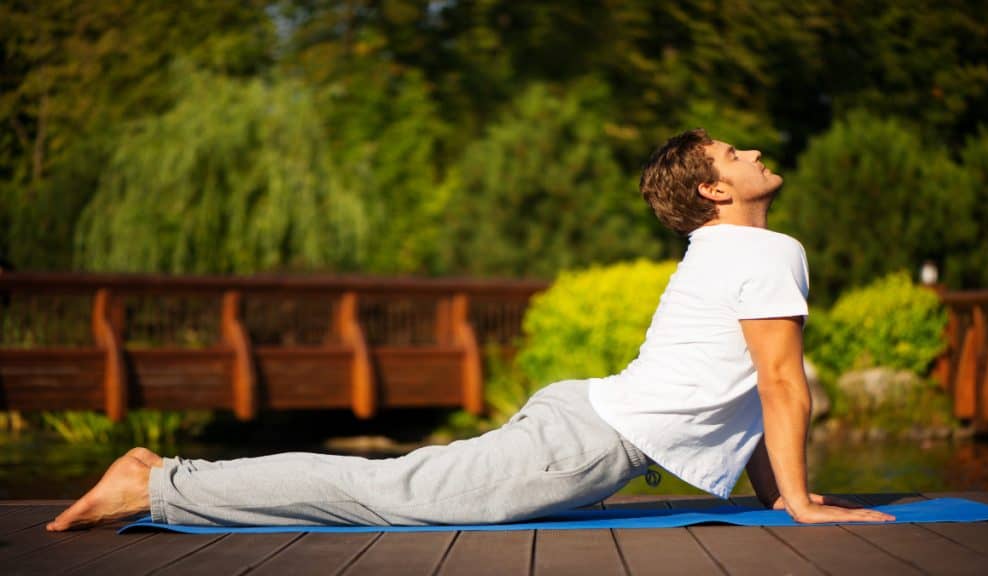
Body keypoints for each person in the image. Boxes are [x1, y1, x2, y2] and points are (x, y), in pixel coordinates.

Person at [47, 129, 895, 531]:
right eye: (736, 155)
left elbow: (752, 388)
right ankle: (159, 483)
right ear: (715, 191)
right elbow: (780, 385)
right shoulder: (765, 249)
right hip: (585, 442)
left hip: (584, 425)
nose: (753, 154)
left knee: (397, 484)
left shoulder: (727, 250)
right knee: (389, 494)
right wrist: (804, 512)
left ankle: (162, 477)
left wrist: (784, 498)